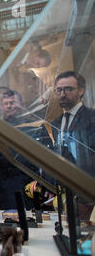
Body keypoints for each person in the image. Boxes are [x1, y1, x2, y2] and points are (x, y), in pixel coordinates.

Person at [41, 71, 94, 220]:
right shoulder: (55, 123)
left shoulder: (92, 118)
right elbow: (52, 156)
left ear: (81, 90)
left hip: (86, 195)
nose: (62, 94)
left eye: (68, 89)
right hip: (61, 197)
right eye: (59, 90)